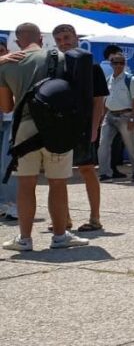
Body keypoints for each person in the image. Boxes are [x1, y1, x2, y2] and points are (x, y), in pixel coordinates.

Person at [0, 22, 89, 251]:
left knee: (26, 185)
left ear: (18, 41)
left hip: (24, 130)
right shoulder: (58, 58)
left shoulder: (8, 64)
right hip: (57, 127)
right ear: (41, 39)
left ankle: (25, 239)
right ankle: (60, 236)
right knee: (58, 184)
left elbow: (7, 107)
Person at [52, 24, 108, 232]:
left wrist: (95, 128)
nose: (63, 43)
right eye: (58, 40)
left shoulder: (92, 66)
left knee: (87, 169)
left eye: (66, 38)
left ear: (76, 37)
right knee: (58, 172)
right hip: (61, 126)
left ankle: (95, 218)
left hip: (85, 126)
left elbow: (99, 101)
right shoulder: (56, 65)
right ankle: (63, 218)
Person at [98, 52, 134, 183]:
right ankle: (105, 173)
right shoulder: (109, 79)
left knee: (130, 144)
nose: (118, 65)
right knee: (103, 144)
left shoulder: (130, 79)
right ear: (111, 64)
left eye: (121, 63)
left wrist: (133, 118)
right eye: (115, 63)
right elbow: (106, 99)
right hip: (110, 115)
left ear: (125, 64)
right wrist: (102, 116)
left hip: (125, 115)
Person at [0, 41, 18, 220]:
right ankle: (2, 203)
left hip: (11, 121)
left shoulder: (15, 67)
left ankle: (15, 205)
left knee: (9, 166)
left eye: (1, 51)